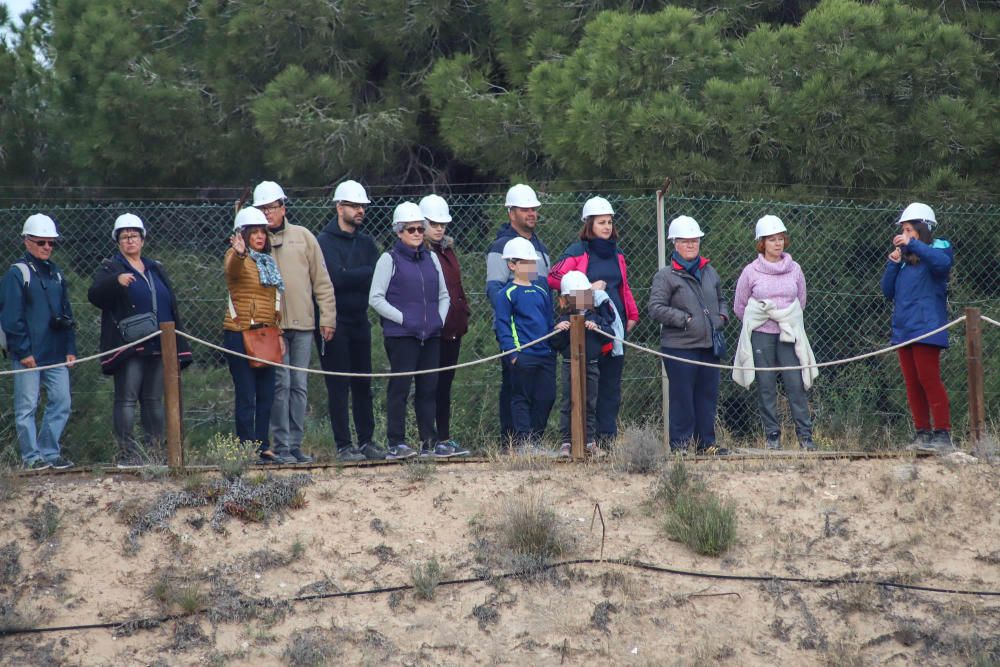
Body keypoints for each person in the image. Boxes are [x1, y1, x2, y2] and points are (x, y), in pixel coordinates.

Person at [87, 213, 193, 468]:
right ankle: (127, 454)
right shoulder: (111, 268)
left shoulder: (155, 267)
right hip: (129, 345)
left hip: (159, 344)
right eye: (124, 237)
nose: (130, 241)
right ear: (118, 242)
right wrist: (116, 282)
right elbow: (94, 295)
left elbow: (171, 303)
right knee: (126, 398)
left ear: (143, 239)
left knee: (153, 400)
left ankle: (155, 452)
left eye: (134, 236)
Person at [253, 181, 337, 464]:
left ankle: (296, 444)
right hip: (271, 328)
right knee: (280, 385)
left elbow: (322, 281)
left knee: (299, 385)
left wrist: (327, 317)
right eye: (262, 208)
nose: (267, 213)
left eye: (272, 207)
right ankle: (281, 445)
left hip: (302, 324)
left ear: (283, 208)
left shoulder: (303, 237)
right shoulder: (255, 242)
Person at [548, 196, 639, 447]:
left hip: (613, 326)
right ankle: (583, 440)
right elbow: (554, 277)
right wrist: (587, 287)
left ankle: (606, 440)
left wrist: (632, 315)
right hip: (588, 327)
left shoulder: (617, 253)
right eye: (601, 222)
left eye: (609, 222)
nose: (607, 227)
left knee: (611, 386)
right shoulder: (577, 252)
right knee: (588, 386)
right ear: (589, 224)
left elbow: (623, 287)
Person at [369, 202, 451, 460]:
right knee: (400, 387)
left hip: (431, 334)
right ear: (399, 231)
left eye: (419, 228)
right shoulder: (388, 259)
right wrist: (404, 320)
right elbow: (376, 298)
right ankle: (397, 442)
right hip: (402, 335)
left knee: (429, 388)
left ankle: (429, 440)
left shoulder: (432, 258)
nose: (417, 233)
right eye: (411, 229)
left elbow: (444, 295)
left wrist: (439, 319)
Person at [732, 215, 817, 451]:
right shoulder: (751, 271)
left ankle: (806, 438)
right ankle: (772, 438)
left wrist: (784, 319)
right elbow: (740, 307)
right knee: (766, 385)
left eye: (781, 239)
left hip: (789, 333)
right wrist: (762, 322)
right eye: (772, 240)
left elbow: (801, 301)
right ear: (762, 243)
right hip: (762, 334)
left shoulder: (795, 269)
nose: (777, 244)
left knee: (795, 384)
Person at [648, 216, 730, 455]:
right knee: (682, 398)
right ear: (675, 244)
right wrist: (685, 319)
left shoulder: (709, 271)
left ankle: (706, 444)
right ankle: (681, 447)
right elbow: (655, 308)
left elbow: (722, 299)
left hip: (709, 345)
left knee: (707, 397)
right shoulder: (665, 276)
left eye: (695, 240)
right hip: (680, 347)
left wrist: (722, 317)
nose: (692, 245)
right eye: (686, 241)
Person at [0, 214, 76, 470]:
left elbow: (67, 314)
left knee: (62, 402)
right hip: (29, 355)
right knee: (26, 407)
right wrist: (23, 351)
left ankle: (49, 452)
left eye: (51, 243)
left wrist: (70, 348)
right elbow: (11, 317)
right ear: (27, 242)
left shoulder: (56, 273)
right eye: (41, 242)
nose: (47, 247)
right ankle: (31, 458)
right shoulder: (17, 274)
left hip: (56, 353)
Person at [315, 180, 384, 462]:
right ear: (339, 207)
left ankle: (367, 440)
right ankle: (344, 445)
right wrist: (362, 273)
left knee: (363, 384)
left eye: (363, 206)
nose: (360, 211)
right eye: (354, 206)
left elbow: (376, 276)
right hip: (334, 321)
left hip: (359, 320)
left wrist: (352, 274)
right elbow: (335, 278)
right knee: (338, 386)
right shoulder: (324, 241)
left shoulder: (367, 242)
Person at [880, 202, 955, 453]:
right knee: (912, 383)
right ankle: (922, 433)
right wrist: (893, 263)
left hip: (927, 328)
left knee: (928, 379)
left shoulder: (939, 249)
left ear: (923, 229)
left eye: (909, 229)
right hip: (904, 329)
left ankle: (942, 433)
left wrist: (912, 244)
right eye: (903, 229)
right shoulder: (903, 259)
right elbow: (887, 292)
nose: (904, 234)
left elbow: (942, 266)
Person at [485, 184, 551, 445]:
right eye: (525, 209)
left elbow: (544, 287)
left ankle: (532, 441)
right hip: (515, 333)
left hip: (540, 335)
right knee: (515, 390)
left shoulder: (540, 247)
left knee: (542, 394)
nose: (531, 213)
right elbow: (494, 288)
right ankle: (511, 442)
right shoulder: (501, 246)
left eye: (534, 208)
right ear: (511, 212)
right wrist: (514, 337)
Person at [224, 207, 288, 464]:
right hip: (240, 333)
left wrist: (279, 332)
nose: (260, 236)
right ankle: (245, 448)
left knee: (266, 394)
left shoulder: (268, 262)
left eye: (263, 231)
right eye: (255, 232)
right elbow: (233, 271)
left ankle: (263, 445)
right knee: (246, 393)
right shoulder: (235, 257)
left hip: (267, 333)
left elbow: (275, 302)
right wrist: (239, 255)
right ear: (243, 234)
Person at [492, 236, 557, 454]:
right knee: (521, 399)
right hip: (522, 355)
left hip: (545, 354)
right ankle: (523, 443)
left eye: (533, 262)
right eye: (526, 263)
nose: (532, 267)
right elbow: (502, 326)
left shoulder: (541, 291)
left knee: (546, 397)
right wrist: (513, 354)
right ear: (512, 265)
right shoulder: (506, 294)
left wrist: (555, 336)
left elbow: (548, 320)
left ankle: (536, 441)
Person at [421, 194, 471, 457]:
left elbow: (456, 287)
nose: (440, 228)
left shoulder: (448, 250)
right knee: (430, 384)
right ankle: (428, 439)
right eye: (434, 223)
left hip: (453, 327)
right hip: (433, 329)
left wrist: (464, 313)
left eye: (443, 223)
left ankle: (444, 437)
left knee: (445, 385)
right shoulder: (422, 253)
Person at [550, 271, 616, 457]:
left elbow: (609, 334)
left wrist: (599, 329)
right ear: (567, 299)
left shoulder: (595, 318)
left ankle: (589, 441)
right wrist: (557, 330)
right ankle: (566, 442)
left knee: (590, 403)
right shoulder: (563, 320)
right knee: (567, 403)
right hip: (569, 365)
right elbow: (554, 344)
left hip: (592, 364)